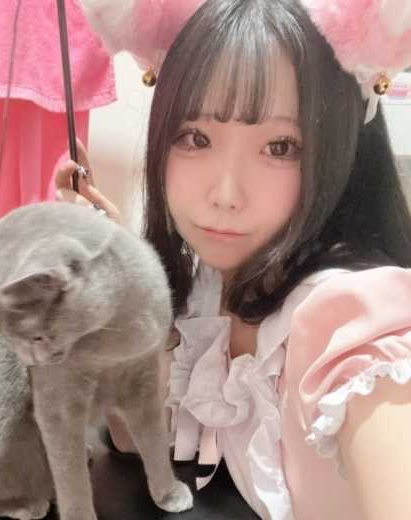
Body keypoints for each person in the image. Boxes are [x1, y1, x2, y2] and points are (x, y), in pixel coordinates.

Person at [54, 0, 411, 518]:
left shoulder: (346, 323)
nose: (224, 194)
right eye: (195, 137)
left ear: (343, 152)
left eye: (281, 147)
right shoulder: (210, 284)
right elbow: (133, 439)